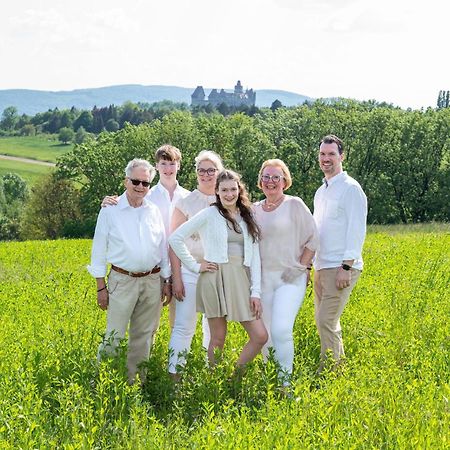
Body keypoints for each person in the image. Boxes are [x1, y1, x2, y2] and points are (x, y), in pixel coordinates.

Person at [169, 169, 267, 371]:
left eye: (233, 189)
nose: (229, 194)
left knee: (260, 336)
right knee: (218, 338)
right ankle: (214, 382)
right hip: (214, 279)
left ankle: (235, 376)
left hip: (240, 278)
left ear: (239, 190)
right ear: (217, 191)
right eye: (224, 190)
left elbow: (255, 257)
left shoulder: (247, 216)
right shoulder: (209, 214)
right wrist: (196, 266)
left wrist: (255, 292)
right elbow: (175, 238)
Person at [87, 158, 171, 384]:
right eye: (136, 181)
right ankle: (103, 385)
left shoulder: (153, 210)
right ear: (126, 181)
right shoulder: (110, 210)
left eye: (145, 183)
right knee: (113, 336)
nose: (140, 187)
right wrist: (100, 287)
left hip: (152, 281)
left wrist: (166, 280)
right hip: (121, 281)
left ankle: (135, 385)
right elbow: (98, 249)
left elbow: (162, 247)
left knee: (144, 337)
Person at [101, 145, 190, 332]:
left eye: (172, 163)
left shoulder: (188, 197)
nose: (168, 168)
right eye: (163, 163)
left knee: (180, 322)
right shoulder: (148, 194)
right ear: (156, 167)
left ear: (179, 166)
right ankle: (147, 358)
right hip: (155, 268)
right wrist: (108, 201)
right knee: (150, 325)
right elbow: (126, 206)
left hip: (182, 266)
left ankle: (173, 360)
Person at [253, 159, 319, 386]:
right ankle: (268, 381)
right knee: (266, 334)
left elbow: (313, 238)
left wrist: (302, 266)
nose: (271, 182)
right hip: (262, 281)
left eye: (276, 177)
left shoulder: (295, 205)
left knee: (281, 329)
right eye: (266, 177)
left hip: (290, 278)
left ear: (285, 181)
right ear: (260, 181)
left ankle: (285, 385)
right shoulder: (253, 210)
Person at [313, 134, 367, 373]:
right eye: (323, 154)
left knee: (326, 320)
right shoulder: (321, 191)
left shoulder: (350, 189)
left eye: (331, 154)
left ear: (342, 156)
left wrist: (346, 266)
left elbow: (357, 229)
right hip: (322, 265)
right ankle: (338, 369)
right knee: (325, 321)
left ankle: (330, 372)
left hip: (340, 266)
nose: (326, 159)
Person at [167, 150, 223, 377]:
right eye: (201, 170)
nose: (206, 175)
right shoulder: (186, 202)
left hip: (216, 272)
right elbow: (173, 242)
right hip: (190, 272)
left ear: (219, 172)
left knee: (212, 327)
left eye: (211, 170)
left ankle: (211, 374)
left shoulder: (226, 200)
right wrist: (177, 277)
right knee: (183, 326)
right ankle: (175, 377)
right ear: (196, 172)